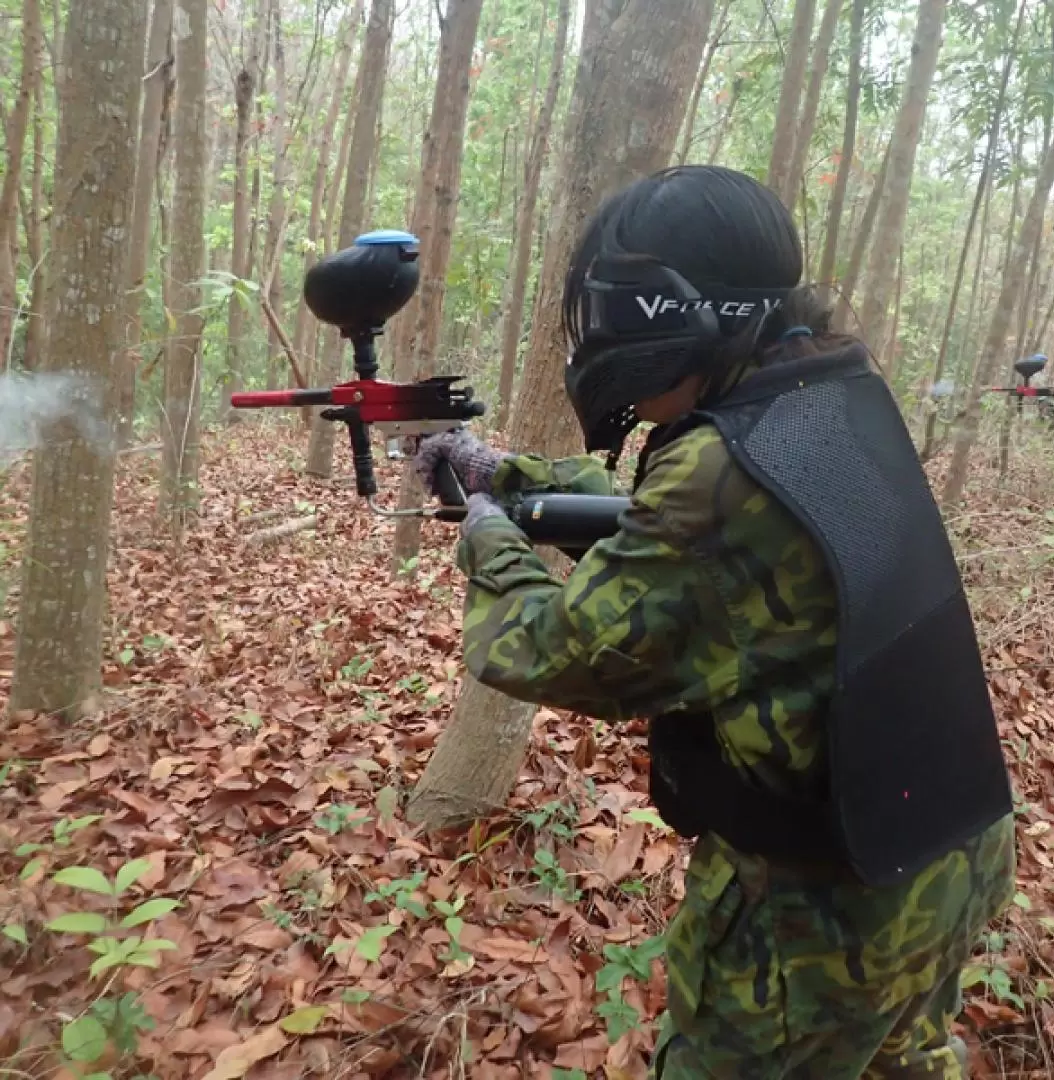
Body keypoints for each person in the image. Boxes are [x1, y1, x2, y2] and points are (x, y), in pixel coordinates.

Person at [415, 165, 1016, 1079]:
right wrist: (508, 472)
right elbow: (698, 541)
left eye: (616, 312)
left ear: (678, 317)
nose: (600, 339)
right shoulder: (826, 388)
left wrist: (489, 538)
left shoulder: (719, 466)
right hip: (948, 848)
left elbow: (554, 648)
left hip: (820, 909)